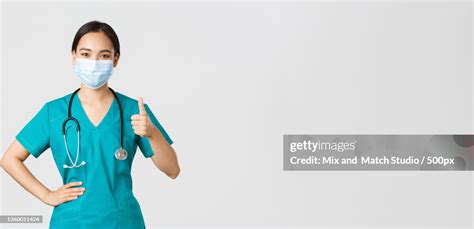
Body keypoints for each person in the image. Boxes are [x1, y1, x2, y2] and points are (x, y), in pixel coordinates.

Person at [1, 20, 180, 228]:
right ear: (74, 57)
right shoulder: (55, 112)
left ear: (115, 60)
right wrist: (46, 195)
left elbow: (172, 170)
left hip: (123, 221)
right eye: (86, 54)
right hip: (71, 222)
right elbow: (9, 159)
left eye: (103, 55)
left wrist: (152, 133)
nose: (94, 62)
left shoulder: (134, 111)